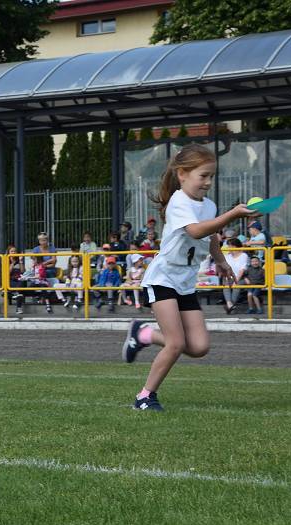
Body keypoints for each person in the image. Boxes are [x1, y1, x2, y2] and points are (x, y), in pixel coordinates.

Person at [120, 143, 256, 411]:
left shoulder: (209, 205)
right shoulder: (178, 201)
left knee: (198, 347)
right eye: (203, 175)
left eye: (211, 176)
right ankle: (144, 397)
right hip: (162, 279)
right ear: (182, 174)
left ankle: (143, 334)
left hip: (184, 283)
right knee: (176, 343)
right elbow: (195, 231)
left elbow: (210, 235)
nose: (208, 182)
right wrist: (233, 214)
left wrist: (221, 261)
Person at [221, 238, 248, 314]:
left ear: (235, 246)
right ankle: (230, 305)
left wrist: (236, 281)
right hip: (229, 277)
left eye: (229, 246)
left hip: (241, 277)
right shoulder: (227, 256)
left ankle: (229, 306)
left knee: (236, 286)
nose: (228, 248)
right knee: (226, 285)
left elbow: (242, 270)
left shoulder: (243, 255)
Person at [6, 245, 26, 315]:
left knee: (20, 287)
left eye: (15, 251)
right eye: (12, 251)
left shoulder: (18, 261)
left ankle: (16, 297)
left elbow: (23, 271)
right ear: (8, 252)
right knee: (19, 291)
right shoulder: (6, 260)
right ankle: (19, 308)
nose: (14, 253)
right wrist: (12, 263)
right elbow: (8, 273)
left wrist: (20, 261)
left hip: (19, 279)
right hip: (10, 280)